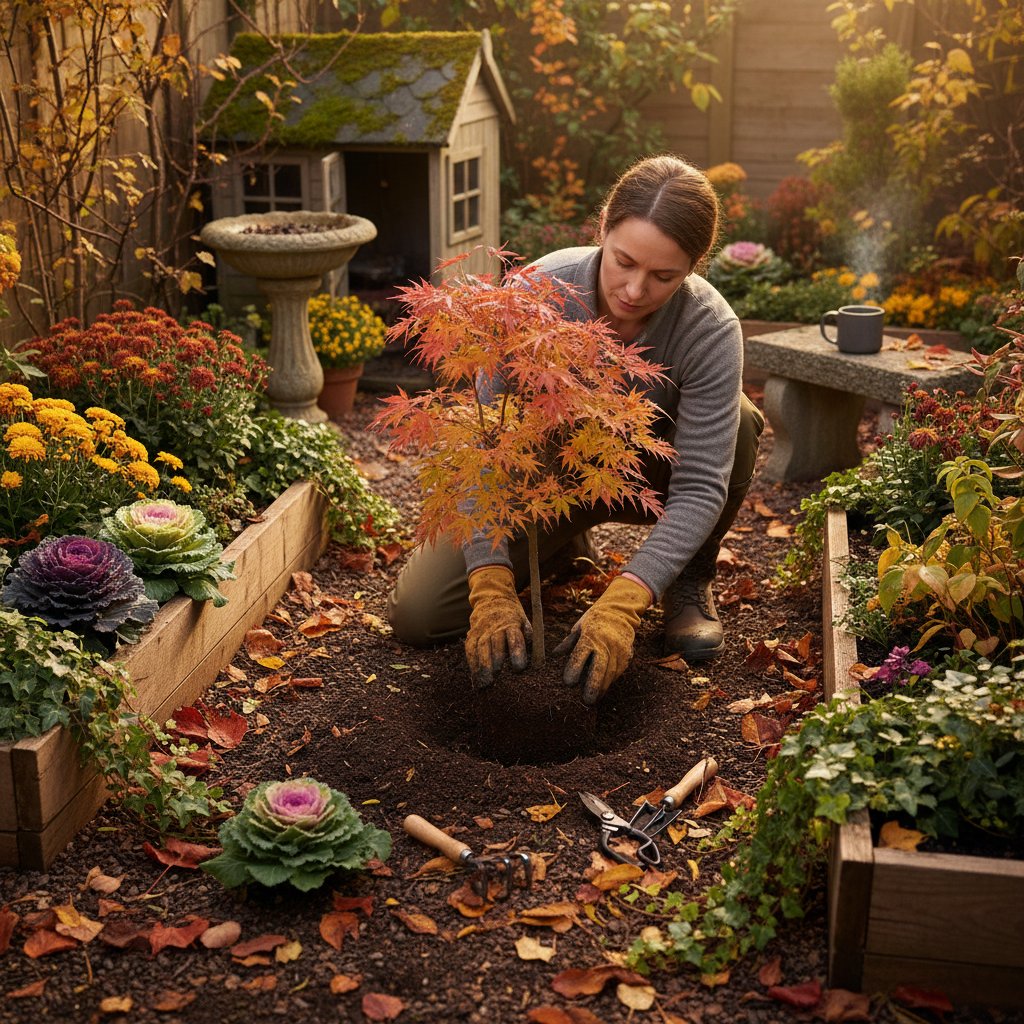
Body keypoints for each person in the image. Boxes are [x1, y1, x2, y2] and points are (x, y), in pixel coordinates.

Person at [387, 153, 764, 706]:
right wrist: (490, 582)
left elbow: (702, 484)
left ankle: (687, 577)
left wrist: (624, 601)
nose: (636, 290)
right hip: (545, 481)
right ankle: (559, 544)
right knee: (419, 615)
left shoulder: (709, 328)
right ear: (604, 227)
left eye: (664, 276)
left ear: (694, 266)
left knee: (742, 423)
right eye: (624, 262)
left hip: (652, 478)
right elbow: (483, 446)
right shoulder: (537, 293)